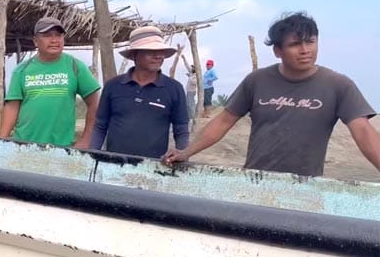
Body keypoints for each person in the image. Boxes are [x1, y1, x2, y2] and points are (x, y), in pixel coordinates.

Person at [163, 12, 380, 176]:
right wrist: (187, 152)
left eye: (310, 41)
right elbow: (223, 121)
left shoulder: (338, 85)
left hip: (307, 187)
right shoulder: (257, 81)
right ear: (278, 50)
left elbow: (363, 132)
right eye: (295, 44)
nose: (305, 50)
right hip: (255, 181)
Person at [0, 17, 101, 148]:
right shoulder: (22, 70)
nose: (54, 40)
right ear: (36, 41)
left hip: (62, 147)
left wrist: (86, 140)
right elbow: (12, 107)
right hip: (23, 146)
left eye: (58, 35)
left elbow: (95, 104)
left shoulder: (75, 66)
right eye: (47, 35)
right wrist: (1, 141)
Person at [90, 26, 189, 158]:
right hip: (112, 166)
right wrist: (91, 155)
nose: (158, 56)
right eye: (151, 51)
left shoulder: (174, 89)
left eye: (161, 51)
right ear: (134, 55)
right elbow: (100, 126)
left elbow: (181, 129)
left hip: (153, 168)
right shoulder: (113, 86)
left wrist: (183, 155)